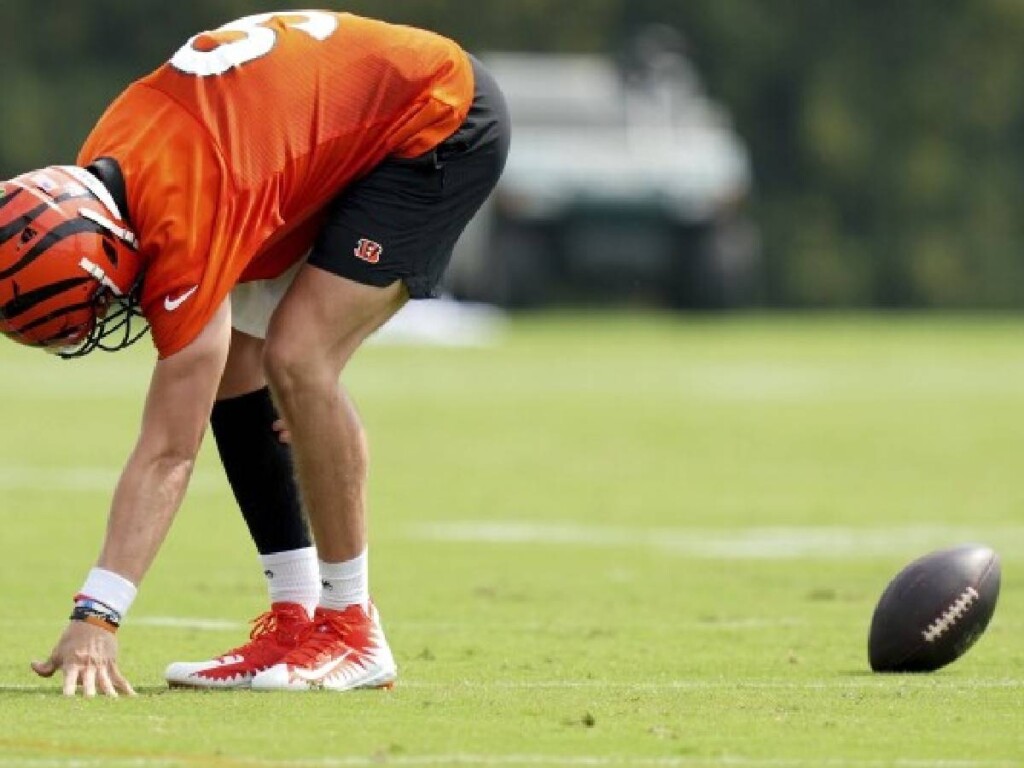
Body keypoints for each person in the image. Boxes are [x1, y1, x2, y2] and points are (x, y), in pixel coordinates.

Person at [0, 10, 509, 696]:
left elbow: (167, 453)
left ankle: (352, 629)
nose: (112, 312)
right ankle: (297, 617)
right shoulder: (112, 164)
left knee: (300, 360)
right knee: (239, 366)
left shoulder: (181, 219)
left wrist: (99, 613)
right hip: (319, 127)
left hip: (434, 115)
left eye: (95, 303)